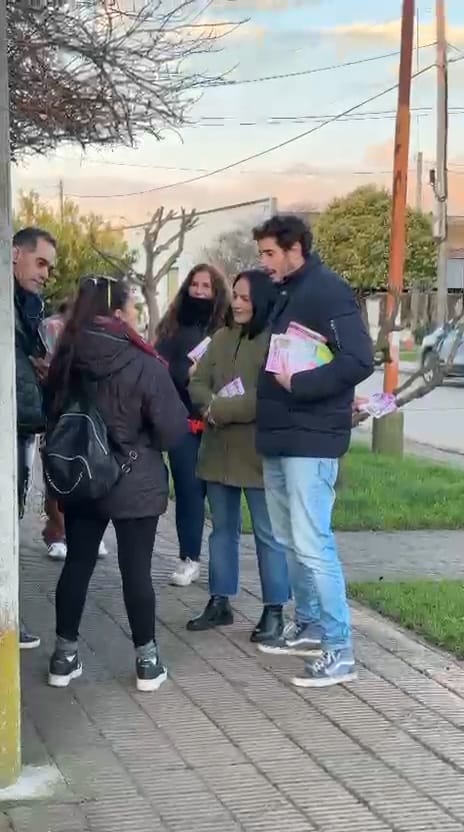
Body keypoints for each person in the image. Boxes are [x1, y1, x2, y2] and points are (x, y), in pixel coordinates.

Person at [45, 276, 188, 691]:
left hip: (81, 476)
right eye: (135, 309)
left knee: (77, 564)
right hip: (134, 480)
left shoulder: (65, 360)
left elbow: (53, 416)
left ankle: (63, 657)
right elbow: (172, 431)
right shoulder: (143, 363)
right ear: (120, 314)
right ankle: (147, 663)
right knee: (136, 572)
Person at [253, 214, 374, 687]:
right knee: (289, 540)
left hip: (312, 437)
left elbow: (359, 358)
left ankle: (340, 650)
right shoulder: (288, 292)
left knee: (312, 542)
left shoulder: (328, 290)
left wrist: (302, 383)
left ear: (295, 248)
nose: (263, 263)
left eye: (269, 253)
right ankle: (310, 625)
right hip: (281, 436)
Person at [187, 270, 290, 642]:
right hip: (217, 452)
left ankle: (274, 609)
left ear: (260, 300)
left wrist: (220, 410)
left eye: (245, 297)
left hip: (258, 454)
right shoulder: (220, 337)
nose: (237, 302)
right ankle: (220, 601)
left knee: (268, 534)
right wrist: (208, 405)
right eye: (234, 295)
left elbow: (267, 396)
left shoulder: (273, 342)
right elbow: (196, 382)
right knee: (222, 531)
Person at [155, 264, 231, 588]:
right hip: (183, 421)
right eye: (195, 284)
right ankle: (189, 558)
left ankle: (225, 564)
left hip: (219, 421)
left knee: (219, 494)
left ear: (217, 292)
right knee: (187, 490)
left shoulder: (227, 329)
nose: (199, 291)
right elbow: (157, 366)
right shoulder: (171, 327)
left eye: (206, 286)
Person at [14, 226, 57, 649]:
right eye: (40, 262)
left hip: (23, 426)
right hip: (11, 425)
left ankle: (9, 614)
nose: (45, 273)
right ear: (15, 254)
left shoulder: (28, 307)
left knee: (11, 525)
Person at [40, 301, 108, 561]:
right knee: (59, 470)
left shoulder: (98, 335)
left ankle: (88, 534)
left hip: (90, 413)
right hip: (59, 411)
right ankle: (56, 532)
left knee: (90, 472)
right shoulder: (52, 329)